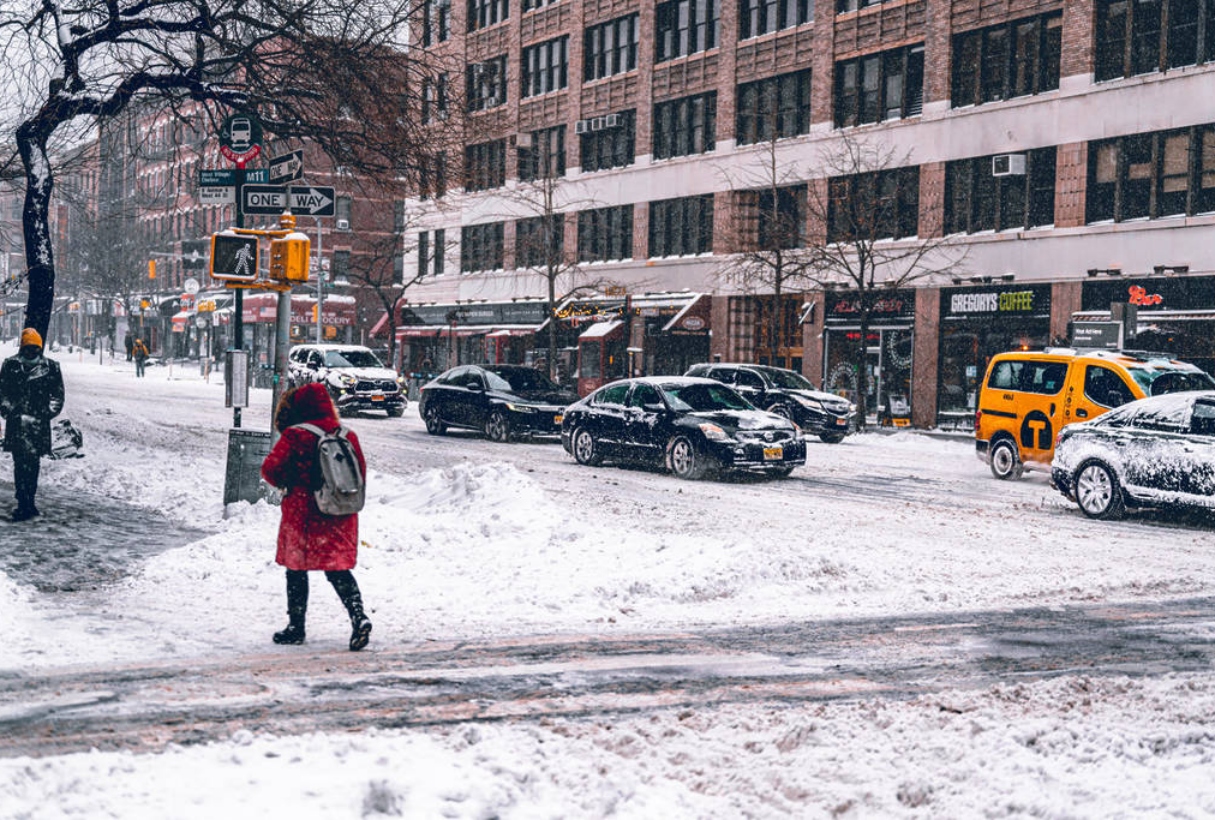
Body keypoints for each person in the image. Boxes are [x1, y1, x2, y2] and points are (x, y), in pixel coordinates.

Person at [260, 382, 373, 651]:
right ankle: (359, 616)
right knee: (338, 570)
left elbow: (270, 469)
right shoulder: (347, 435)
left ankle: (296, 627)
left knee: (296, 569)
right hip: (338, 512)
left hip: (303, 514)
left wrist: (290, 482)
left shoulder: (296, 435)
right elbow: (359, 474)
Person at [0, 328, 65, 521]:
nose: (31, 351)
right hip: (18, 423)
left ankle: (29, 500)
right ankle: (23, 500)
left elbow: (57, 396)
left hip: (37, 424)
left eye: (34, 347)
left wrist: (45, 413)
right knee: (20, 464)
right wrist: (9, 409)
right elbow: (1, 392)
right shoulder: (10, 365)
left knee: (33, 463)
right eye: (28, 347)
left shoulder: (51, 367)